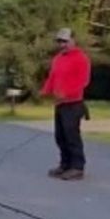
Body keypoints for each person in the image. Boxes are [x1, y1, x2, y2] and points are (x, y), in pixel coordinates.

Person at [40, 28, 92, 180]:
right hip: (60, 103)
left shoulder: (81, 58)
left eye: (65, 41)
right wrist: (45, 90)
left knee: (71, 136)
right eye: (59, 41)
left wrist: (67, 92)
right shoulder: (58, 59)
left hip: (73, 103)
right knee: (60, 136)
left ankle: (77, 167)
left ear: (73, 41)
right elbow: (52, 78)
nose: (62, 44)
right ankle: (65, 165)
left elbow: (83, 81)